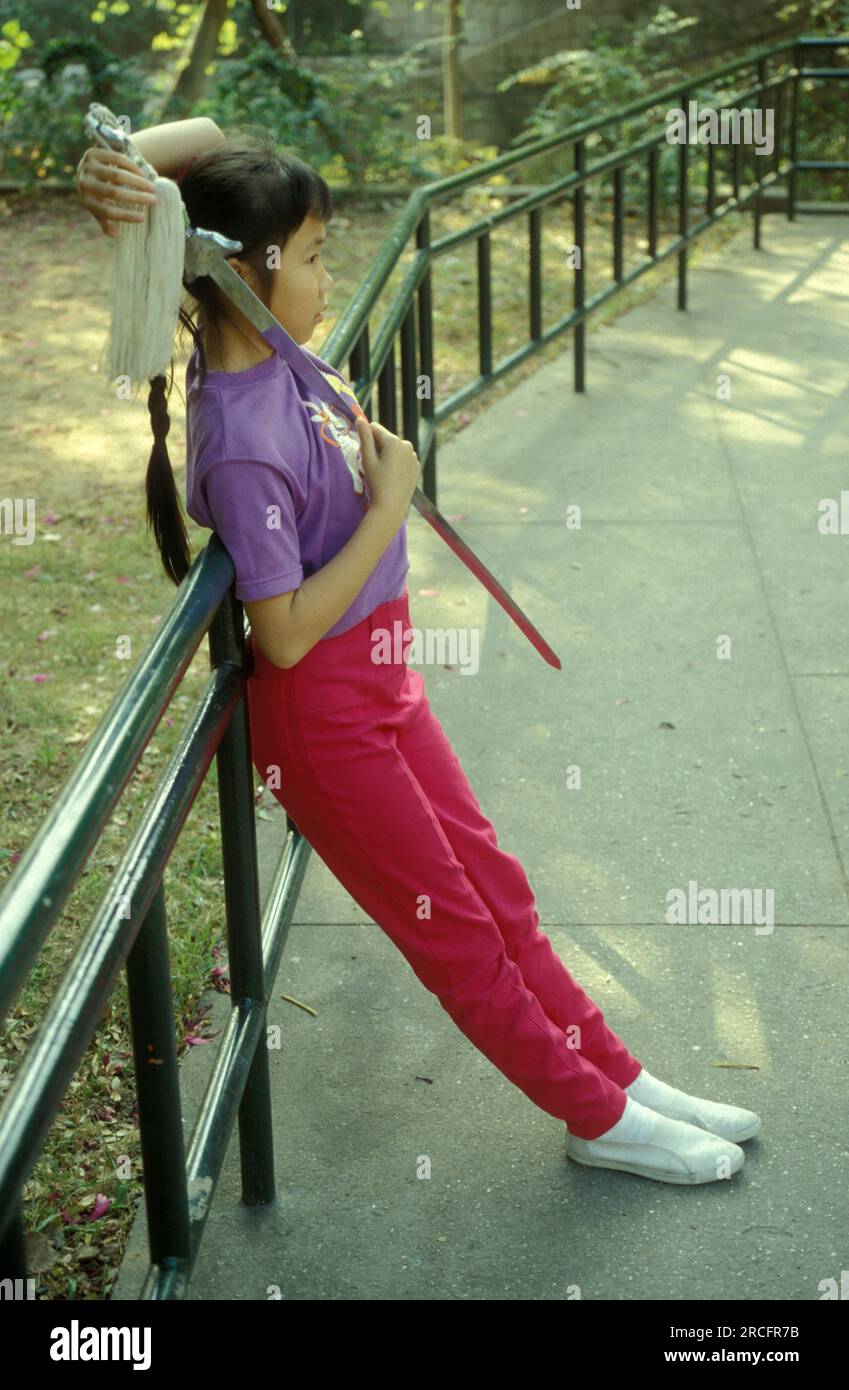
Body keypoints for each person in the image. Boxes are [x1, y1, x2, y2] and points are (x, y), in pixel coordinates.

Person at [75, 122, 762, 1185]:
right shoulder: (245, 433)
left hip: (382, 677)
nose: (325, 274)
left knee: (500, 890)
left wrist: (121, 165)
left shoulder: (275, 346)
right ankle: (594, 1116)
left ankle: (618, 1075)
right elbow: (286, 634)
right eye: (310, 256)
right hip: (327, 717)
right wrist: (387, 503)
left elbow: (204, 140)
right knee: (457, 933)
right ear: (247, 271)